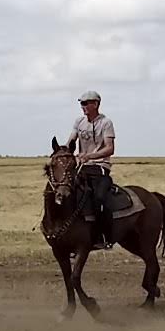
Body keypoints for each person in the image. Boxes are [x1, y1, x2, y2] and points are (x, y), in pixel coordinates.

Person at [66, 89, 116, 248]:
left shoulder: (106, 123)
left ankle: (102, 236)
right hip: (82, 167)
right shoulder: (79, 122)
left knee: (99, 197)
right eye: (81, 103)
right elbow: (71, 142)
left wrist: (90, 156)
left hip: (99, 167)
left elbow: (110, 149)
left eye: (86, 103)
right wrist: (64, 152)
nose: (83, 106)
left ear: (96, 104)